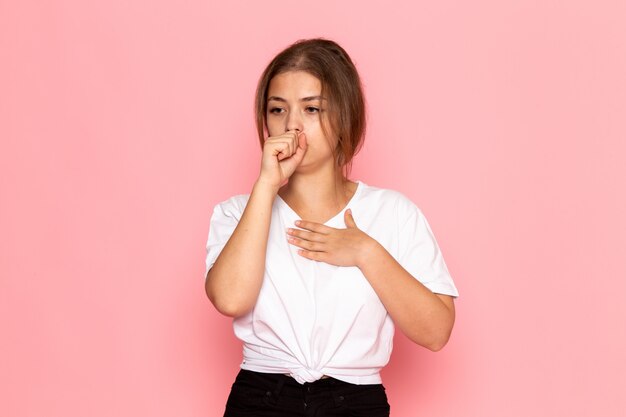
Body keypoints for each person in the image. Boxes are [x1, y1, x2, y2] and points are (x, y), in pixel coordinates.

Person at [204, 38, 459, 417]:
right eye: (277, 109)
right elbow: (229, 299)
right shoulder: (239, 212)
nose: (291, 124)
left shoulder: (392, 213)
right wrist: (265, 186)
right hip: (261, 397)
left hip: (354, 401)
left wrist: (365, 251)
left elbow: (437, 332)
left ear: (345, 115)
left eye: (311, 109)